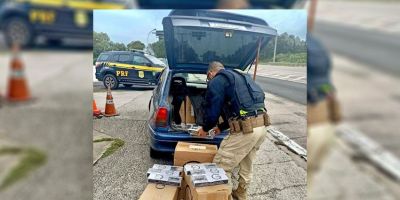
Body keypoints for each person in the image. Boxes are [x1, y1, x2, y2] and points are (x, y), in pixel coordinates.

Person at [197, 61, 271, 200]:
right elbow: (240, 109)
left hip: (246, 131)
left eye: (208, 78)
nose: (209, 80)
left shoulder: (216, 80)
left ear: (210, 73)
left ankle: (224, 197)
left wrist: (205, 128)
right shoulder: (241, 77)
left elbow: (213, 111)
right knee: (246, 164)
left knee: (220, 166)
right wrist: (220, 127)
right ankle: (241, 193)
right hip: (261, 126)